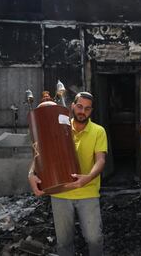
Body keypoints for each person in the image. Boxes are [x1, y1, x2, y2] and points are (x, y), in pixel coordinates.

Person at [28, 91, 107, 256]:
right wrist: (31, 174)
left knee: (95, 239)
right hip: (61, 192)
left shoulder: (98, 131)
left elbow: (100, 160)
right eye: (79, 106)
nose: (82, 111)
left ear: (91, 111)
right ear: (72, 106)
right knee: (64, 242)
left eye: (87, 109)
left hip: (88, 192)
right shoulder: (58, 125)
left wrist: (87, 178)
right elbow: (39, 150)